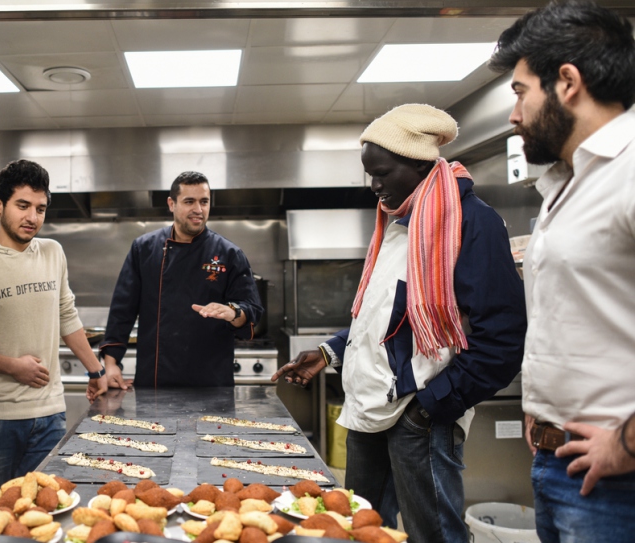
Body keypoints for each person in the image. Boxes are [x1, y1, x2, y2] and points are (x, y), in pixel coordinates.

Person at [272, 104, 527, 543]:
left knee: (436, 535)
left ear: (419, 164)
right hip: (369, 411)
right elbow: (385, 315)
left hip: (417, 417)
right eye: (370, 174)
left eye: (383, 173)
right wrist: (331, 351)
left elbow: (502, 340)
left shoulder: (470, 224)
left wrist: (430, 407)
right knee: (361, 529)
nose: (375, 186)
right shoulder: (398, 224)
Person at [488, 1, 635, 540]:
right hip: (558, 463)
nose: (514, 114)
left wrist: (626, 444)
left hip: (617, 480)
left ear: (567, 82)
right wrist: (542, 407)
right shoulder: (566, 184)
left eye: (521, 92)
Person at [0, 159, 108, 510]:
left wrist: (96, 370)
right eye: (23, 206)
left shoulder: (52, 252)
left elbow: (66, 316)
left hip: (50, 416)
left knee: (48, 511)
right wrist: (11, 366)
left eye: (40, 209)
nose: (32, 217)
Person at [99, 171, 263, 388]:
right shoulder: (144, 249)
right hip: (155, 382)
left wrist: (234, 313)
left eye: (204, 202)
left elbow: (252, 309)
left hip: (212, 383)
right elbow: (123, 310)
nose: (198, 209)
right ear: (171, 204)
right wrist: (111, 364)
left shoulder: (229, 253)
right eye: (189, 201)